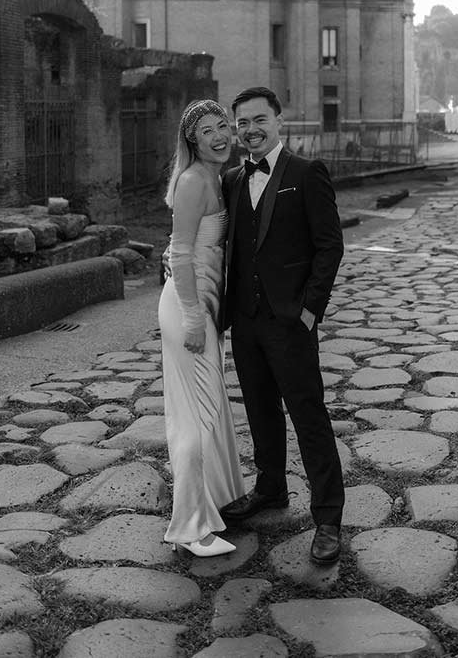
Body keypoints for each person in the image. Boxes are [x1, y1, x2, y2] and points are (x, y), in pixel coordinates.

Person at [219, 86, 345, 564]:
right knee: (260, 410)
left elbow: (329, 245)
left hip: (291, 321)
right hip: (246, 320)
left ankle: (328, 516)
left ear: (278, 121)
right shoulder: (232, 180)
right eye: (242, 123)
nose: (250, 130)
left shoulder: (306, 173)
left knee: (308, 416)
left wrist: (310, 310)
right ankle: (270, 487)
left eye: (259, 120)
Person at [158, 98, 245, 557]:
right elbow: (180, 253)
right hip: (188, 310)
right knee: (198, 414)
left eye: (222, 126)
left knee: (206, 410)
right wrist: (193, 317)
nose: (219, 136)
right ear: (192, 140)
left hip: (205, 306)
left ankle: (213, 501)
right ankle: (191, 529)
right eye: (207, 130)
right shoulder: (194, 180)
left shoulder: (218, 177)